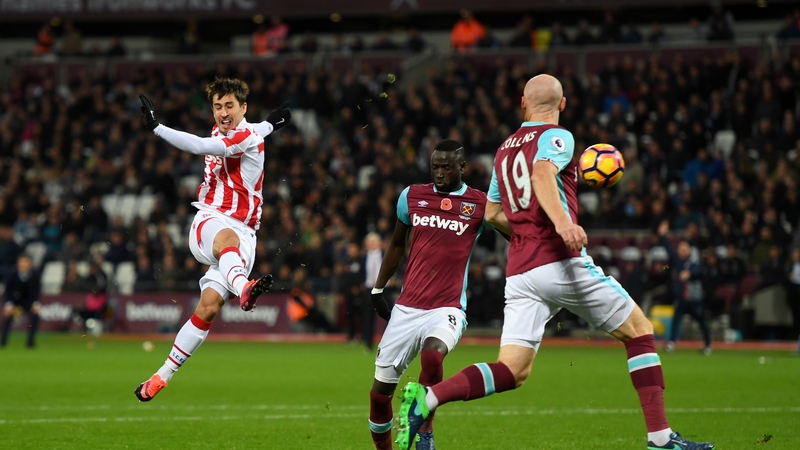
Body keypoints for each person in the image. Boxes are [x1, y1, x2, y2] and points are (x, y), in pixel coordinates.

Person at [396, 75, 715, 450]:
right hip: (559, 261)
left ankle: (426, 399)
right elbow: (543, 172)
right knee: (639, 331)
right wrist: (563, 224)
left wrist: (524, 231)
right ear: (562, 105)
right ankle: (661, 439)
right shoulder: (555, 138)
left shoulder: (502, 149)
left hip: (520, 271)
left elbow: (494, 211)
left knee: (512, 370)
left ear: (522, 103)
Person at [133, 77, 292, 402]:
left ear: (242, 107)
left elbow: (200, 145)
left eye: (229, 105)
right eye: (217, 106)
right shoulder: (244, 130)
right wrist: (272, 123)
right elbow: (255, 129)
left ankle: (161, 375)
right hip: (210, 223)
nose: (222, 112)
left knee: (207, 307)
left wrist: (157, 128)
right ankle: (244, 287)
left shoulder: (243, 135)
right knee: (227, 239)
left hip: (245, 238)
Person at [368, 139, 494, 450]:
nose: (439, 172)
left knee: (433, 355)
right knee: (379, 395)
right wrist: (378, 287)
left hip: (448, 306)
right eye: (435, 166)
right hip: (408, 307)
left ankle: (423, 427)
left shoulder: (479, 204)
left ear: (462, 167)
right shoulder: (411, 196)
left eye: (446, 167)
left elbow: (513, 232)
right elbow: (397, 244)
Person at [659, 221, 712, 355]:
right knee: (676, 320)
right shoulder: (677, 262)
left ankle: (708, 344)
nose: (681, 251)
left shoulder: (694, 261)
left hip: (694, 298)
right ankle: (671, 342)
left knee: (702, 322)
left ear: (689, 250)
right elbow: (669, 252)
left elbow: (699, 271)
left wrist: (690, 274)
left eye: (684, 249)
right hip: (682, 298)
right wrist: (663, 235)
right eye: (680, 249)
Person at [1, 255, 41, 348]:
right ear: (18, 264)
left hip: (28, 301)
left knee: (35, 316)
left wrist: (36, 303)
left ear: (30, 264)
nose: (24, 264)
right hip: (14, 300)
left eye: (26, 262)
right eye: (22, 262)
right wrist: (8, 304)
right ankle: (3, 342)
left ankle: (30, 342)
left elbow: (37, 290)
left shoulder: (34, 275)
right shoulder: (12, 274)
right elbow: (7, 291)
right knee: (8, 317)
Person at [362, 232, 383, 351]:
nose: (373, 244)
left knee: (389, 317)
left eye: (374, 241)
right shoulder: (363, 257)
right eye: (370, 242)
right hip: (369, 289)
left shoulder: (386, 255)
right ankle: (368, 344)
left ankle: (389, 344)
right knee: (368, 318)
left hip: (384, 289)